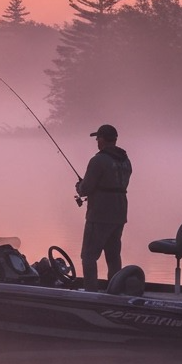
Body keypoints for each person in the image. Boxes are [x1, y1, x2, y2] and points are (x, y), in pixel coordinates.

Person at [75, 124, 132, 291]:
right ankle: (115, 291)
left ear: (103, 139)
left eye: (97, 138)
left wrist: (79, 187)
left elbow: (86, 189)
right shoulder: (125, 160)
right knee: (113, 256)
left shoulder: (98, 160)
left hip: (100, 214)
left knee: (88, 256)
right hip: (120, 212)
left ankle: (90, 292)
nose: (96, 142)